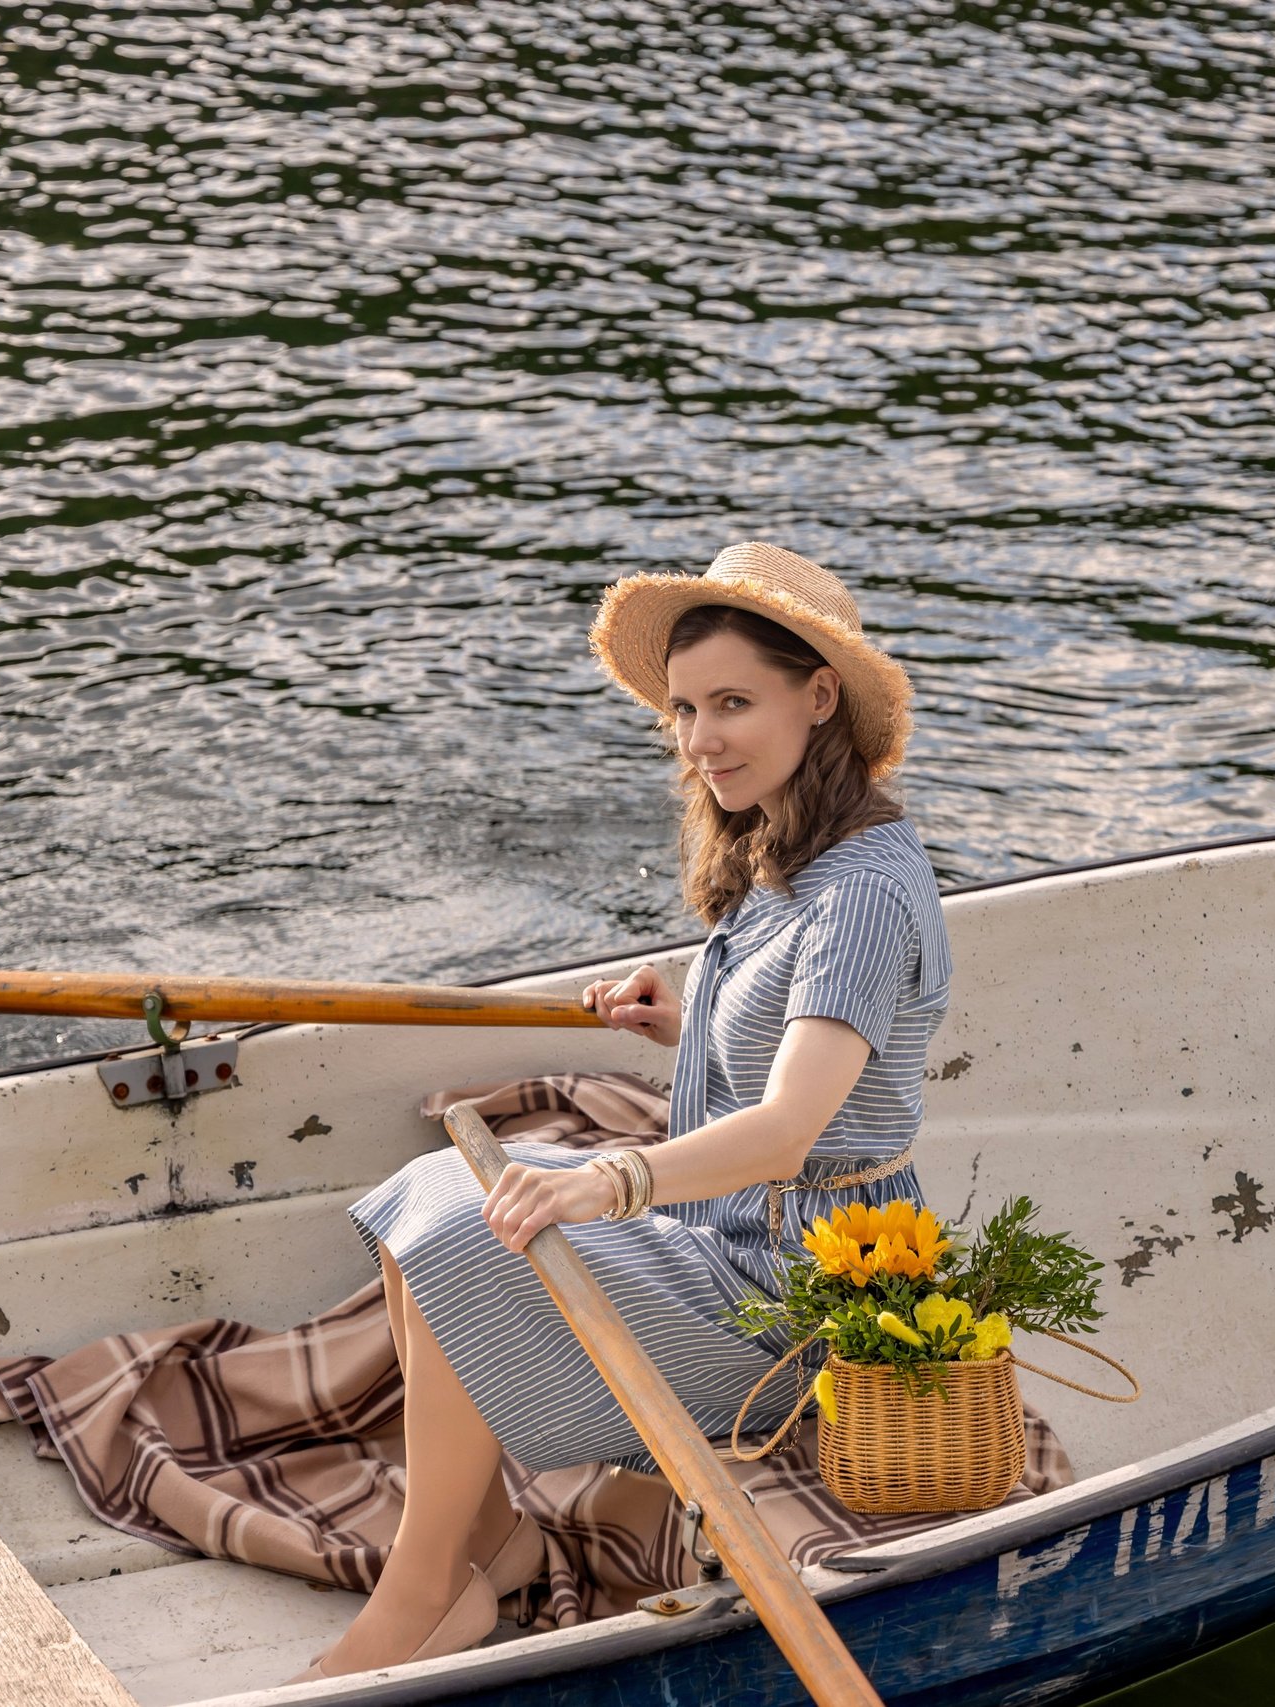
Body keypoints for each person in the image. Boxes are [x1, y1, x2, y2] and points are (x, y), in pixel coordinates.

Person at [295, 541, 953, 1679]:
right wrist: (687, 1017)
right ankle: (480, 1545)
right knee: (439, 1193)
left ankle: (422, 1595)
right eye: (686, 709)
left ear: (819, 695)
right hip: (730, 1232)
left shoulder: (866, 892)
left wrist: (609, 1180)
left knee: (473, 1229)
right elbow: (794, 1036)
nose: (701, 740)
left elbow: (794, 1129)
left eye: (732, 703)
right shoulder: (795, 848)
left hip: (801, 1294)